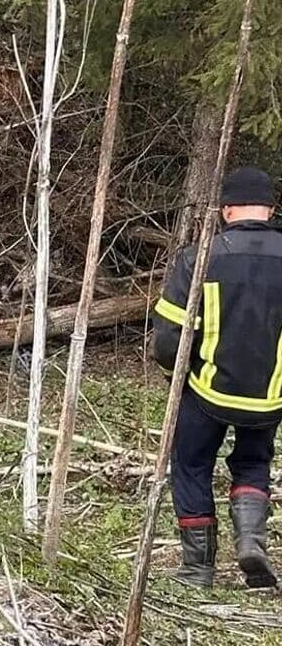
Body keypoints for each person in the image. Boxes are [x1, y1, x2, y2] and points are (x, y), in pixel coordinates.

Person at [153, 165, 282, 589]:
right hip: (269, 395)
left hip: (207, 388)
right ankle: (250, 540)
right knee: (253, 462)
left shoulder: (199, 258)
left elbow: (169, 339)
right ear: (271, 208)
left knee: (190, 464)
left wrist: (178, 370)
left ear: (225, 210)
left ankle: (197, 569)